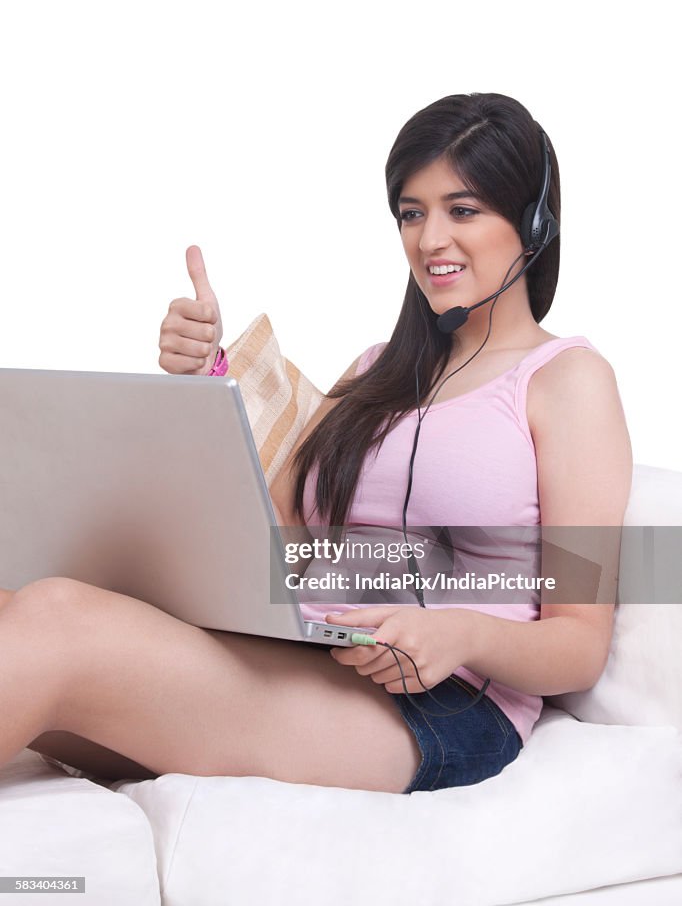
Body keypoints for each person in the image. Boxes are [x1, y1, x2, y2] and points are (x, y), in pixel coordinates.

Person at [0, 92, 632, 795]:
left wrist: (462, 633)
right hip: (302, 652)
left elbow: (580, 643)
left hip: (439, 705)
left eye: (463, 210)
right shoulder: (373, 370)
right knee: (13, 601)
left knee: (59, 621)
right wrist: (205, 381)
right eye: (412, 213)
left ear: (533, 223)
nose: (429, 241)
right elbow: (271, 547)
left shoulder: (568, 381)